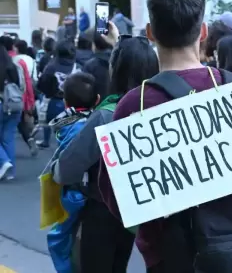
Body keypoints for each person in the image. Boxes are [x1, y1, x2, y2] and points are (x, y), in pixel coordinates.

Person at [99, 0, 232, 272]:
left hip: (172, 256)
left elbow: (116, 197)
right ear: (203, 31)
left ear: (150, 33)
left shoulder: (136, 104)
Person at [53, 21, 159, 273]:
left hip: (103, 209)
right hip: (140, 212)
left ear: (117, 71)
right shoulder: (160, 111)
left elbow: (66, 170)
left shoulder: (106, 115)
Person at [46, 72, 98, 273]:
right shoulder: (96, 121)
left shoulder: (67, 127)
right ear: (98, 100)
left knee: (58, 239)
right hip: (89, 192)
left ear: (66, 103)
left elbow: (65, 169)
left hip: (74, 194)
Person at [36, 39, 79, 148]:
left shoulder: (52, 66)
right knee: (70, 132)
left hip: (55, 102)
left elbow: (42, 84)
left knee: (52, 125)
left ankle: (47, 141)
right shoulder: (77, 66)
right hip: (75, 103)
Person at [0, 45, 24, 180]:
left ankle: (4, 161)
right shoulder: (14, 66)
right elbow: (22, 86)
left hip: (1, 104)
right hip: (15, 104)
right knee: (8, 138)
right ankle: (10, 172)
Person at [13, 39, 38, 156]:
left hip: (14, 91)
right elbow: (34, 78)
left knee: (16, 122)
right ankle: (30, 136)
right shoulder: (31, 60)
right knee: (22, 119)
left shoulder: (14, 59)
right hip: (27, 90)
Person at [82, 32, 113, 100]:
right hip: (115, 105)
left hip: (95, 105)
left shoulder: (90, 65)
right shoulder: (119, 61)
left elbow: (84, 89)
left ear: (94, 45)